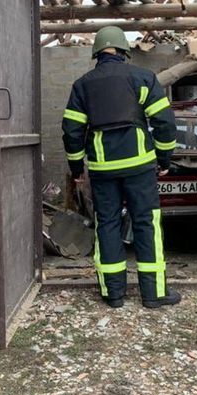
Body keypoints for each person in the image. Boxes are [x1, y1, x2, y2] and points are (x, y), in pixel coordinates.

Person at [62, 26, 181, 309]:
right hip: (140, 167)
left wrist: (77, 168)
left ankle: (113, 293)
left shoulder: (83, 85)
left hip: (103, 169)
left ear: (97, 53)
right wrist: (164, 159)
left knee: (108, 223)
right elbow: (164, 122)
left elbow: (72, 131)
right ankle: (153, 294)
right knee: (146, 223)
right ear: (124, 51)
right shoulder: (143, 78)